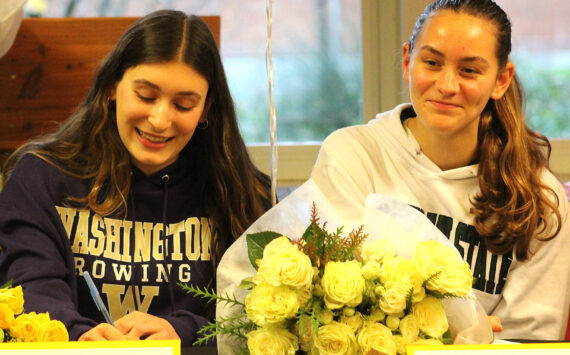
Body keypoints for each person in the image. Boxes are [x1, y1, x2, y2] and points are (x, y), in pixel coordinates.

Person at [0, 10, 271, 346]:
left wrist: (185, 334)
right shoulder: (40, 177)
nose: (159, 120)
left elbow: (261, 313)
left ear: (207, 109)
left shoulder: (243, 191)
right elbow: (30, 289)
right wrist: (76, 334)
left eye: (184, 105)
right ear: (113, 87)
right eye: (145, 96)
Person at [312, 0, 570, 341]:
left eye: (469, 70)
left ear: (501, 79)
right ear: (407, 61)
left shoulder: (538, 197)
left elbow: (526, 343)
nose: (447, 85)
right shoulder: (353, 156)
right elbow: (331, 309)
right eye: (431, 63)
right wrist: (466, 333)